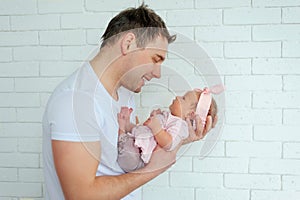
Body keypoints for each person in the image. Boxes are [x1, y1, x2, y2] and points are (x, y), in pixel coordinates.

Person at [42, 3, 215, 200]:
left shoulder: (125, 94)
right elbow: (82, 195)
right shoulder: (74, 102)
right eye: (155, 59)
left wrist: (182, 137)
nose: (158, 74)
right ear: (128, 43)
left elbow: (134, 152)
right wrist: (153, 169)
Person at [117, 86, 222, 172]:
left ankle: (122, 130)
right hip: (139, 143)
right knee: (139, 132)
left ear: (190, 114)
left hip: (136, 156)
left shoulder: (182, 127)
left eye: (183, 98)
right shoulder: (171, 118)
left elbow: (168, 144)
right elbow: (148, 131)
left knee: (129, 149)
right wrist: (155, 118)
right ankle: (126, 125)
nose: (177, 97)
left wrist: (156, 127)